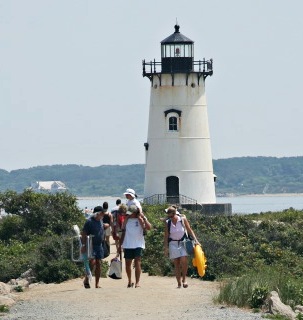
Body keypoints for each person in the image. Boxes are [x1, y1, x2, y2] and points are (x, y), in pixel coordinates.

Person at [164, 206, 200, 289]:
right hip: (173, 243)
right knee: (176, 263)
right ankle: (179, 283)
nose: (171, 218)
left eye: (172, 216)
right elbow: (166, 235)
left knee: (184, 260)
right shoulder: (167, 222)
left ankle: (184, 279)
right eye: (169, 216)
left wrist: (196, 240)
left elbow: (190, 230)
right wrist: (165, 248)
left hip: (183, 242)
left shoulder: (182, 219)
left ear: (175, 214)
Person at [118, 204, 151, 288]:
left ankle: (137, 282)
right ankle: (129, 280)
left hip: (138, 243)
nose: (129, 214)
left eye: (131, 213)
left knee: (137, 262)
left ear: (135, 212)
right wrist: (120, 245)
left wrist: (144, 218)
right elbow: (123, 230)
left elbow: (149, 227)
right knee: (128, 263)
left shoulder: (140, 219)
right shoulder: (126, 219)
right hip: (128, 243)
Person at [81, 205, 109, 289]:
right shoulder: (89, 221)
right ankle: (86, 279)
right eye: (102, 213)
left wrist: (106, 225)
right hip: (91, 245)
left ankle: (97, 284)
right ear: (98, 213)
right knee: (92, 263)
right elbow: (84, 233)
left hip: (99, 245)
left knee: (98, 264)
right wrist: (83, 245)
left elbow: (101, 227)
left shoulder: (100, 220)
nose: (103, 215)